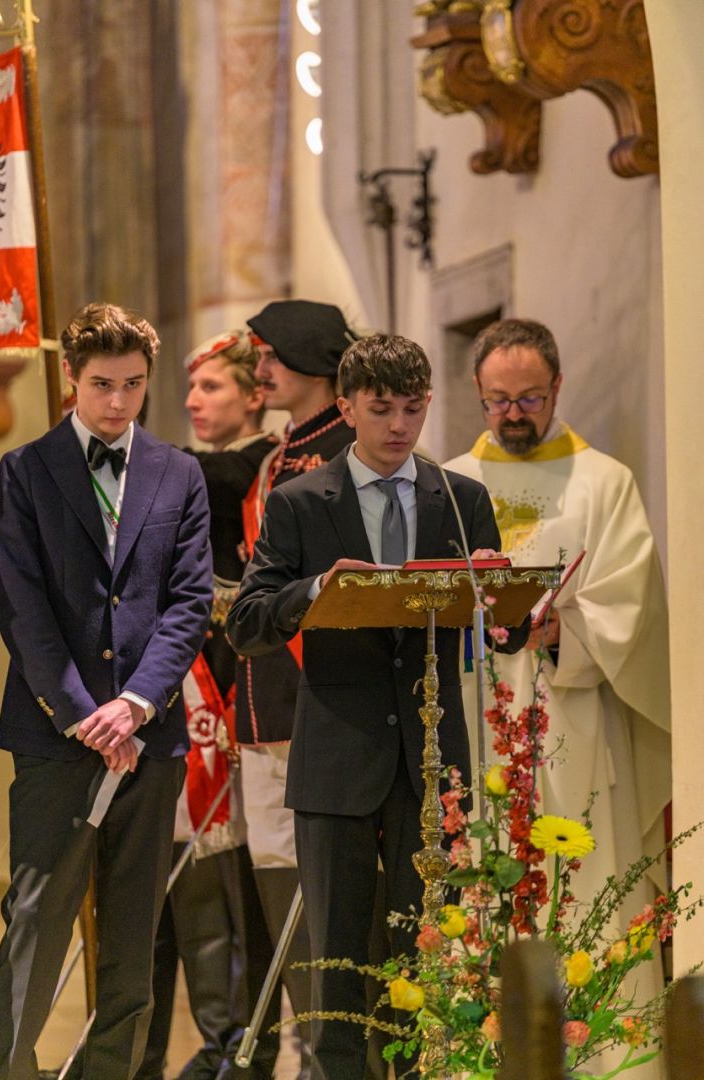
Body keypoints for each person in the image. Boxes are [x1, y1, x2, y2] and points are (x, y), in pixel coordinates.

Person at [226, 333, 529, 1080]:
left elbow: (507, 626)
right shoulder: (299, 502)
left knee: (427, 952)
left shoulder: (461, 499)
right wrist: (315, 591)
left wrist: (503, 594)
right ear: (346, 408)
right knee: (337, 960)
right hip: (336, 758)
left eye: (414, 408)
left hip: (432, 759)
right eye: (381, 408)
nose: (399, 425)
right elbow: (248, 623)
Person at [0, 302, 213, 1080]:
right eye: (103, 385)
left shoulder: (180, 474)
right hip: (57, 735)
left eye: (133, 385)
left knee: (132, 932)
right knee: (37, 918)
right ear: (71, 382)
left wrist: (137, 703)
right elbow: (21, 606)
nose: (119, 402)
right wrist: (85, 714)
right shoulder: (25, 470)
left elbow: (190, 601)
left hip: (149, 737)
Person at [445, 317, 671, 918]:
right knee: (484, 864)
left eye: (530, 399)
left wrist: (559, 632)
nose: (513, 415)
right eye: (498, 401)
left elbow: (632, 605)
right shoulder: (450, 483)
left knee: (579, 877)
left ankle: (591, 984)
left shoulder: (604, 482)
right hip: (478, 706)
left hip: (571, 707)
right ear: (477, 392)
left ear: (558, 386)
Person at [135, 332, 279, 1080]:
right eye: (190, 388)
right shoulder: (199, 472)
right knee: (186, 882)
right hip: (189, 686)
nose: (193, 401)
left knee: (240, 883)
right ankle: (196, 1041)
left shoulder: (263, 468)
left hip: (241, 689)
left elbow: (205, 479)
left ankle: (243, 1044)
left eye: (212, 387)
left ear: (256, 395)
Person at [233, 299, 359, 1072]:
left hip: (319, 697)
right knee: (277, 875)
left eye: (271, 354)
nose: (260, 369)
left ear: (311, 359)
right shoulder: (279, 453)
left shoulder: (346, 451)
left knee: (326, 884)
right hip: (263, 695)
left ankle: (334, 1051)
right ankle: (308, 1048)